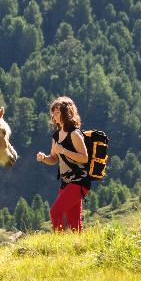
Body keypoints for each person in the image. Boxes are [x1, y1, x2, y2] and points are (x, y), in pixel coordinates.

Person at [36, 96, 90, 231]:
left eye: (57, 113)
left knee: (55, 212)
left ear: (67, 113)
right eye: (53, 113)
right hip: (66, 183)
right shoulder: (56, 136)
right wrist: (44, 158)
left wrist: (64, 150)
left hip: (79, 181)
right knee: (74, 223)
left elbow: (84, 158)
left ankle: (57, 244)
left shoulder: (74, 134)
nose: (54, 116)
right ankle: (80, 247)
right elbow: (53, 159)